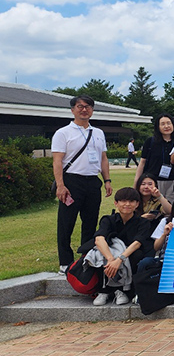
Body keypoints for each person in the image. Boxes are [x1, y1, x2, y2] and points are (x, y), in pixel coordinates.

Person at [52, 94, 112, 273]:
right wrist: (60, 185)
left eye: (88, 107)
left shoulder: (98, 133)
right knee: (66, 223)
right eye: (80, 106)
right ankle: (65, 262)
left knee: (90, 222)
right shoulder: (63, 133)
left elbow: (103, 158)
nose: (84, 110)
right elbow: (57, 161)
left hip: (92, 182)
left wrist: (107, 180)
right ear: (73, 110)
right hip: (72, 181)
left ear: (92, 110)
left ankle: (86, 258)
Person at [90, 188, 149, 306]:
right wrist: (111, 259)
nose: (127, 204)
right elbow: (99, 239)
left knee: (136, 254)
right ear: (116, 203)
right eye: (123, 201)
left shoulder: (143, 222)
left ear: (137, 204)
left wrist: (120, 259)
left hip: (129, 254)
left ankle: (123, 290)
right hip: (111, 254)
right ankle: (104, 290)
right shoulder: (108, 220)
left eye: (131, 201)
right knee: (100, 253)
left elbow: (137, 243)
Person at [134, 113, 174, 202]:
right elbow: (142, 162)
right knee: (154, 206)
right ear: (158, 127)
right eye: (162, 124)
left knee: (170, 207)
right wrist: (136, 182)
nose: (166, 126)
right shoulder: (150, 142)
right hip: (154, 181)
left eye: (168, 123)